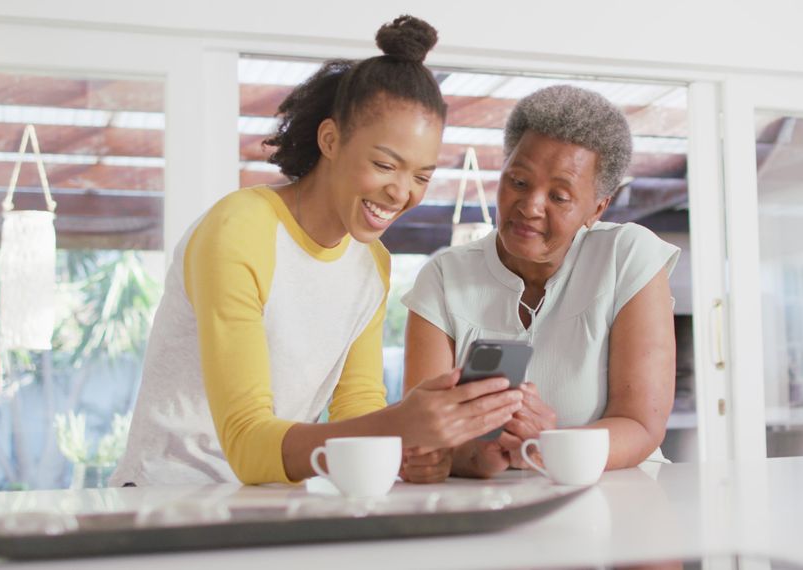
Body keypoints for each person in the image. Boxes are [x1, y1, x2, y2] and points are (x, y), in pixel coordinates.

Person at [111, 15, 523, 487]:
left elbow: (358, 408)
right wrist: (400, 425)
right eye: (385, 164)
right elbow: (246, 443)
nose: (401, 192)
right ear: (330, 139)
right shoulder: (240, 228)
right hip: (164, 499)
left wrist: (407, 451)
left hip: (263, 503)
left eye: (422, 176)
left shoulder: (372, 263)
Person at [400, 85, 679, 482]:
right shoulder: (444, 276)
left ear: (597, 208)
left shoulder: (627, 256)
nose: (530, 206)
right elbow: (424, 434)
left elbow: (641, 427)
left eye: (560, 196)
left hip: (616, 496)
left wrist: (551, 444)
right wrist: (470, 457)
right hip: (487, 504)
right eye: (518, 181)